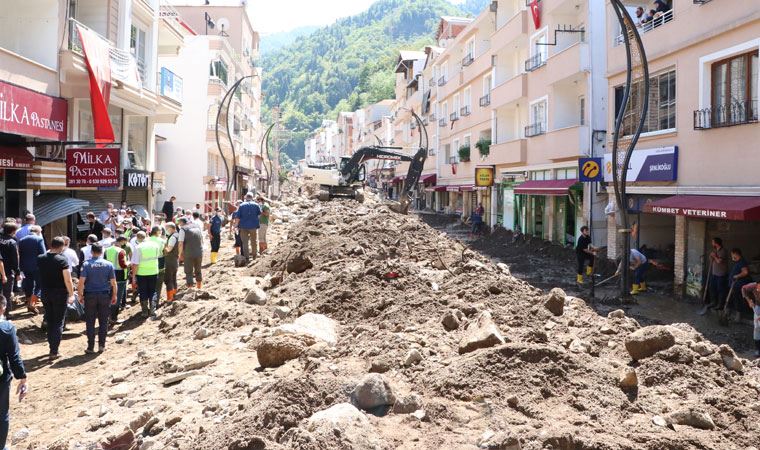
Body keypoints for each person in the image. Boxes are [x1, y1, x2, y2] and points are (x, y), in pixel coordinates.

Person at [37, 237, 75, 358]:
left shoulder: (40, 258)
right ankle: (54, 351)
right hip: (60, 293)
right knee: (58, 322)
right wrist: (71, 294)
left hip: (45, 292)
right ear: (62, 246)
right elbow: (68, 279)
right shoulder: (62, 260)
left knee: (50, 319)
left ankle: (51, 347)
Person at [0, 295, 28, 449]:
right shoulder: (7, 328)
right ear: (3, 308)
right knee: (2, 413)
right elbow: (14, 357)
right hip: (1, 378)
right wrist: (22, 378)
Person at [78, 243, 116, 353]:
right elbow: (113, 283)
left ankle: (90, 347)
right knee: (103, 321)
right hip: (104, 295)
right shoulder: (109, 264)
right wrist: (114, 295)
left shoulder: (86, 264)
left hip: (90, 295)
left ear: (91, 252)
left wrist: (80, 295)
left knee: (90, 321)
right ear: (102, 252)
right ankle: (101, 346)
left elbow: (81, 282)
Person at [131, 232, 161, 318]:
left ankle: (144, 311)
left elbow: (135, 264)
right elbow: (157, 256)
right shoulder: (155, 245)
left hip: (142, 273)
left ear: (137, 238)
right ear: (146, 236)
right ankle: (152, 310)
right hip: (153, 271)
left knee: (143, 291)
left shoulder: (138, 247)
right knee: (153, 290)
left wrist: (133, 276)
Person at [18, 225, 45, 314]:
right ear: (38, 232)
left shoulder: (22, 240)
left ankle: (28, 301)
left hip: (25, 266)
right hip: (37, 266)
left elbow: (20, 254)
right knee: (39, 285)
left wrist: (20, 267)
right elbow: (43, 254)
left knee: (29, 284)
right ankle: (32, 304)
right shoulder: (39, 239)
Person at [105, 237, 129, 323]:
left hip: (108, 275)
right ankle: (113, 318)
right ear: (121, 242)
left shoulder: (106, 250)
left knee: (109, 296)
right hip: (119, 276)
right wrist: (129, 263)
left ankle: (107, 317)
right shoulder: (121, 251)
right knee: (117, 297)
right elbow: (123, 265)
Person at [178, 218, 204, 289]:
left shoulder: (183, 229)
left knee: (188, 271)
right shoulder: (197, 226)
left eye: (179, 223)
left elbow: (180, 243)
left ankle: (190, 289)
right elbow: (201, 239)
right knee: (198, 270)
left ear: (181, 222)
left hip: (188, 253)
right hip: (199, 252)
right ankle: (199, 287)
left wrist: (180, 254)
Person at [235, 192, 262, 260]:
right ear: (252, 197)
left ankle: (246, 257)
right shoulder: (256, 205)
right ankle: (254, 256)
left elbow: (238, 217)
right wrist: (256, 222)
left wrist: (236, 225)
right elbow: (259, 215)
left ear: (246, 197)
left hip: (243, 227)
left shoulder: (241, 205)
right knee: (254, 241)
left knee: (245, 243)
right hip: (253, 226)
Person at [0, 223, 19, 318]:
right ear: (13, 231)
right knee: (7, 294)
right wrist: (17, 272)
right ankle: (6, 313)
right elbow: (15, 259)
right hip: (7, 272)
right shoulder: (12, 242)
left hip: (2, 270)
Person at [708, 237, 729, 310]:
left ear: (716, 243)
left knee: (721, 289)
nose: (712, 243)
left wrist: (714, 256)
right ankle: (713, 302)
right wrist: (711, 256)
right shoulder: (715, 250)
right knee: (712, 288)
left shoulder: (723, 251)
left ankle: (720, 305)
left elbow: (719, 261)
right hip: (714, 273)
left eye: (713, 242)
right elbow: (711, 260)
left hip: (721, 274)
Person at [148, 226, 167, 307]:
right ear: (157, 232)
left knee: (149, 283)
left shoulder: (147, 240)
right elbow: (165, 252)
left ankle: (149, 302)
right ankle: (155, 303)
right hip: (160, 262)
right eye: (160, 231)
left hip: (148, 263)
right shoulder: (162, 241)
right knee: (158, 283)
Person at [741, 282, 760, 357]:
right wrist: (749, 301)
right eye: (758, 288)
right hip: (758, 306)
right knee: (757, 328)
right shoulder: (753, 286)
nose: (758, 290)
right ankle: (758, 349)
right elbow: (743, 289)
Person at [163, 223, 180, 302]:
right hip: (175, 260)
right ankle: (174, 295)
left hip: (170, 261)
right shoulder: (178, 235)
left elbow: (169, 249)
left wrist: (163, 247)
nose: (166, 230)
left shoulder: (172, 237)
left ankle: (170, 298)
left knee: (168, 279)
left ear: (170, 228)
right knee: (173, 279)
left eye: (166, 228)